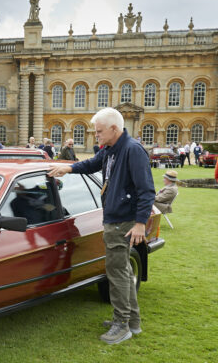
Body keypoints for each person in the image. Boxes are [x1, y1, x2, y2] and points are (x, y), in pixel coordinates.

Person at [47, 108, 154, 345]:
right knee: (123, 271)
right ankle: (132, 322)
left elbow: (146, 191)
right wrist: (69, 168)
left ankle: (122, 325)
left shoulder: (132, 150)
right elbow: (94, 163)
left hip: (122, 222)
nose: (95, 135)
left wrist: (139, 224)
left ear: (115, 129)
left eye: (99, 131)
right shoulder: (111, 149)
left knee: (116, 273)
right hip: (114, 219)